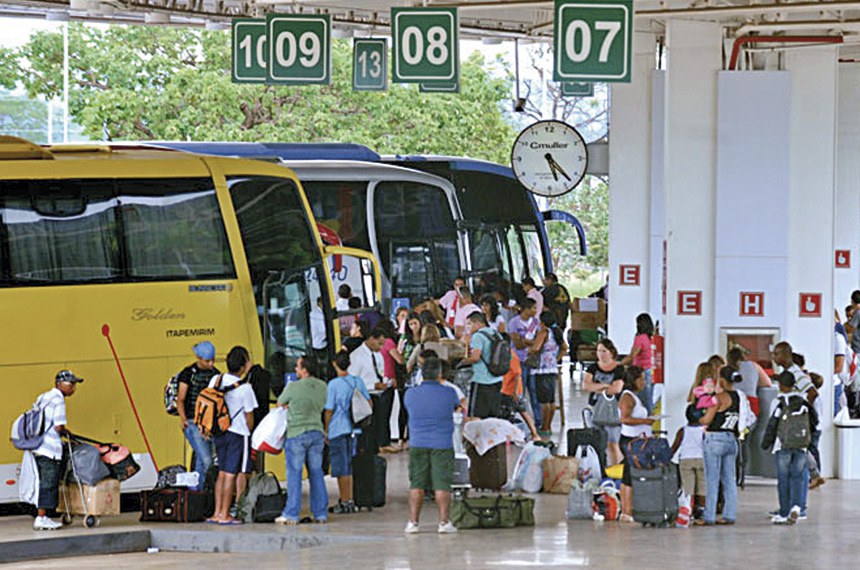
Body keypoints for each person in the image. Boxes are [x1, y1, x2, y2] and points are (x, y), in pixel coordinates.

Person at [403, 355, 461, 534]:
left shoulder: (410, 393)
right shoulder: (449, 392)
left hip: (418, 443)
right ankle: (444, 523)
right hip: (442, 444)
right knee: (442, 484)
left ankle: (413, 523)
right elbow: (456, 407)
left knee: (417, 483)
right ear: (439, 374)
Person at [276, 355, 328, 525]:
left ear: (305, 370)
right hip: (316, 432)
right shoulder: (322, 386)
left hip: (296, 433)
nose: (295, 369)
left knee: (294, 474)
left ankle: (291, 513)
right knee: (316, 473)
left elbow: (280, 402)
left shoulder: (293, 386)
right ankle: (320, 513)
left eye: (298, 366)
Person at [28, 370, 83, 530]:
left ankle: (41, 515)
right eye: (71, 384)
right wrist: (67, 433)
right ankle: (41, 517)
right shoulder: (58, 400)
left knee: (43, 482)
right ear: (60, 384)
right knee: (49, 483)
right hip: (49, 449)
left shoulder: (44, 397)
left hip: (37, 446)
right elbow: (58, 426)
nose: (73, 388)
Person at [209, 346, 257, 525]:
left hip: (219, 432)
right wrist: (248, 431)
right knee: (232, 474)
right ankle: (226, 514)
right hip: (238, 433)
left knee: (221, 473)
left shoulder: (216, 379)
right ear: (243, 366)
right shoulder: (245, 388)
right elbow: (249, 416)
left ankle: (216, 512)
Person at [762, 371, 818, 524]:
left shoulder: (780, 402)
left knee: (784, 479)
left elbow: (772, 424)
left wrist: (766, 443)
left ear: (780, 384)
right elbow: (814, 421)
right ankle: (797, 507)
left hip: (783, 445)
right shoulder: (804, 402)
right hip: (801, 446)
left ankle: (784, 511)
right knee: (798, 477)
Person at [324, 350, 372, 515]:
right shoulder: (357, 381)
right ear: (349, 364)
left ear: (334, 364)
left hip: (337, 430)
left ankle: (345, 502)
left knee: (341, 468)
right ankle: (350, 500)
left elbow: (329, 410)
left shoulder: (333, 385)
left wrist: (326, 430)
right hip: (355, 429)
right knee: (349, 466)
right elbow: (369, 404)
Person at [698, 366, 741, 526]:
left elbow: (706, 420)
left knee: (712, 479)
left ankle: (709, 516)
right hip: (732, 439)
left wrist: (700, 418)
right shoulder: (738, 396)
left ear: (721, 380)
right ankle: (729, 515)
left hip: (715, 438)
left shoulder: (719, 397)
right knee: (729, 479)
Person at [175, 341, 220, 491]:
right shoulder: (188, 374)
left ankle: (196, 493)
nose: (211, 363)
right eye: (208, 360)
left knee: (202, 459)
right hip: (192, 422)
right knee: (207, 460)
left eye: (213, 360)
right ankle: (200, 492)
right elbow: (180, 399)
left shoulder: (215, 374)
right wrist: (183, 419)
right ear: (198, 358)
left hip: (208, 423)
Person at [617, 366, 654, 523]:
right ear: (634, 380)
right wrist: (645, 421)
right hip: (630, 441)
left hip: (636, 440)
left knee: (627, 474)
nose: (644, 382)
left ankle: (626, 511)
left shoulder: (635, 396)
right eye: (642, 379)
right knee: (629, 476)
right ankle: (627, 510)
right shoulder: (628, 397)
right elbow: (624, 419)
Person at [582, 339, 625, 466]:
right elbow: (585, 386)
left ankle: (616, 469)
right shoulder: (592, 367)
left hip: (613, 410)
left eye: (604, 351)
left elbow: (616, 389)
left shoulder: (619, 368)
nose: (601, 354)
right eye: (599, 351)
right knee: (596, 441)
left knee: (612, 442)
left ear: (611, 352)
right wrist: (606, 385)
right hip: (595, 408)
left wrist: (597, 386)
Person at [527, 311, 567, 435]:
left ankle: (544, 427)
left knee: (543, 401)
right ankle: (548, 426)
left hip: (541, 369)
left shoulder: (544, 332)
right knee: (551, 400)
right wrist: (556, 359)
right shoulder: (557, 332)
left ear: (543, 322)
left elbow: (536, 348)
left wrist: (529, 348)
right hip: (552, 368)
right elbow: (564, 348)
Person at [460, 312, 505, 419]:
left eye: (469, 324)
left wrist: (461, 362)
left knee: (476, 416)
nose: (468, 327)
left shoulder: (478, 336)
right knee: (492, 415)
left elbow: (475, 357)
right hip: (497, 378)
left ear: (477, 323)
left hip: (481, 380)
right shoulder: (495, 333)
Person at [508, 298, 541, 424]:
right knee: (518, 390)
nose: (535, 310)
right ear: (525, 309)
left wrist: (525, 341)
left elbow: (540, 340)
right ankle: (519, 420)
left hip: (532, 361)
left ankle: (538, 420)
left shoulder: (536, 323)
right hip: (518, 360)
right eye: (533, 308)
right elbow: (517, 344)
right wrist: (531, 343)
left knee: (533, 390)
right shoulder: (514, 323)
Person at [671, 404, 706, 519]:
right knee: (702, 486)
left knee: (687, 486)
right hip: (702, 460)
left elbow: (675, 446)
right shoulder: (705, 430)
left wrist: (668, 457)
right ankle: (701, 509)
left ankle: (687, 507)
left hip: (686, 460)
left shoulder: (683, 430)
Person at [500, 350, 540, 440]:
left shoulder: (511, 356)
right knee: (517, 411)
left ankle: (535, 434)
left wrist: (515, 392)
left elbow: (517, 374)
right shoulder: (503, 353)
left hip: (512, 390)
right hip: (505, 389)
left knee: (522, 410)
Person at [621, 313, 655, 414]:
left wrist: (618, 364)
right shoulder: (651, 338)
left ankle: (646, 421)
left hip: (641, 373)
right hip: (651, 372)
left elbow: (633, 355)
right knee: (649, 398)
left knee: (643, 400)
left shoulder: (641, 338)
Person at [726, 347, 772, 417]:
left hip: (732, 403)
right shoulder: (753, 365)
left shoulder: (726, 369)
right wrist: (753, 381)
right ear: (743, 356)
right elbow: (768, 383)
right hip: (751, 403)